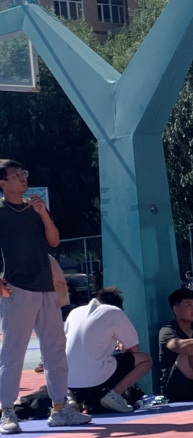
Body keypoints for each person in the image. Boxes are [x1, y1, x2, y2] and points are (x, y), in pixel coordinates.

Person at [0, 160, 92, 433]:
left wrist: (43, 214)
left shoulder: (34, 209)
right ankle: (7, 412)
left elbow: (53, 241)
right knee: (12, 354)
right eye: (15, 175)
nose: (22, 178)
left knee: (55, 351)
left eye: (23, 173)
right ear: (2, 183)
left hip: (46, 288)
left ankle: (60, 408)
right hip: (17, 289)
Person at [65, 287, 153, 413]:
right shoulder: (115, 312)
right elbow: (134, 349)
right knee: (145, 359)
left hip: (68, 379)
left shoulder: (75, 312)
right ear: (118, 306)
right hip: (95, 375)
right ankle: (114, 395)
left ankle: (70, 397)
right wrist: (121, 346)